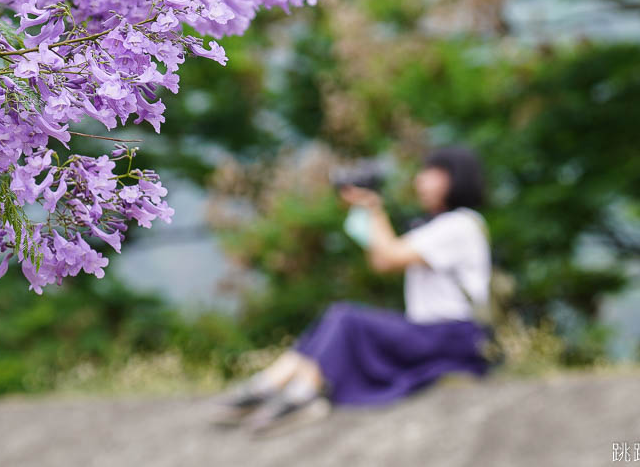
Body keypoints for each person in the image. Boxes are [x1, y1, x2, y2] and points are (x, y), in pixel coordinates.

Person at [210, 145, 493, 436]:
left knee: (346, 317)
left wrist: (373, 208)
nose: (420, 180)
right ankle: (269, 384)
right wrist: (368, 210)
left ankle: (303, 392)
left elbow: (389, 256)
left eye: (432, 173)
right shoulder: (437, 226)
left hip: (452, 335)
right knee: (336, 318)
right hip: (429, 332)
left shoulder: (461, 225)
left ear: (456, 178)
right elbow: (380, 260)